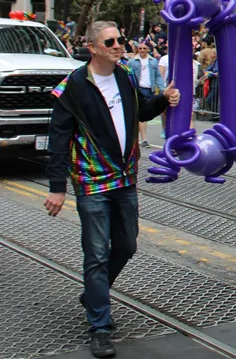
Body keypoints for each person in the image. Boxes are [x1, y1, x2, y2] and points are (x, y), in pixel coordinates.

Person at [44, 22, 180, 358]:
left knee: (127, 245)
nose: (119, 45)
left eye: (120, 40)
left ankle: (95, 292)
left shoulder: (125, 76)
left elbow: (142, 111)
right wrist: (57, 188)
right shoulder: (72, 87)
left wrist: (163, 99)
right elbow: (58, 141)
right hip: (92, 182)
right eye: (110, 42)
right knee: (96, 254)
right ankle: (100, 327)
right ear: (92, 47)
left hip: (125, 179)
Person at [126, 42, 165, 148]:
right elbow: (127, 75)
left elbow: (158, 76)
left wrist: (162, 88)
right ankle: (144, 139)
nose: (142, 50)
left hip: (150, 89)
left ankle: (138, 137)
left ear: (148, 49)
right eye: (140, 48)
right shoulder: (132, 61)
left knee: (147, 113)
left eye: (144, 48)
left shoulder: (153, 61)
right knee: (140, 113)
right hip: (138, 89)